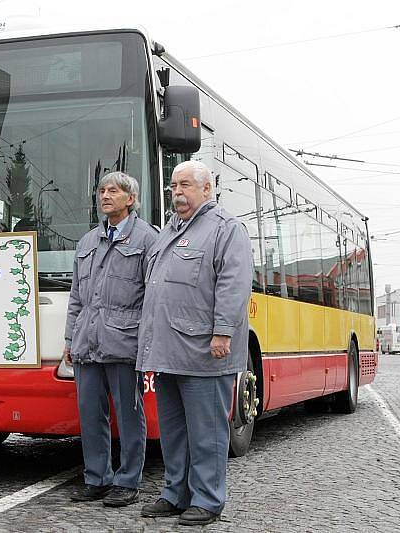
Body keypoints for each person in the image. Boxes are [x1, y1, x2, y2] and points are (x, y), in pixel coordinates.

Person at [137, 160, 253, 526]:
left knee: (207, 433)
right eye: (173, 186)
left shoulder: (226, 229)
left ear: (207, 189)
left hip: (205, 350)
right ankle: (176, 493)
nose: (177, 193)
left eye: (185, 185)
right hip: (168, 350)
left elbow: (233, 285)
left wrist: (222, 332)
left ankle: (208, 499)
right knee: (173, 432)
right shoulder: (168, 231)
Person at [63, 171, 158, 507]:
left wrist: (147, 344)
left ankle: (128, 481)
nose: (105, 196)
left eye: (113, 191)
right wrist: (70, 339)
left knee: (129, 413)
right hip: (87, 340)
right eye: (102, 190)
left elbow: (153, 297)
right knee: (90, 413)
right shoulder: (87, 241)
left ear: (130, 199)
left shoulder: (148, 239)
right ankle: (97, 477)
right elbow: (77, 296)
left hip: (125, 341)